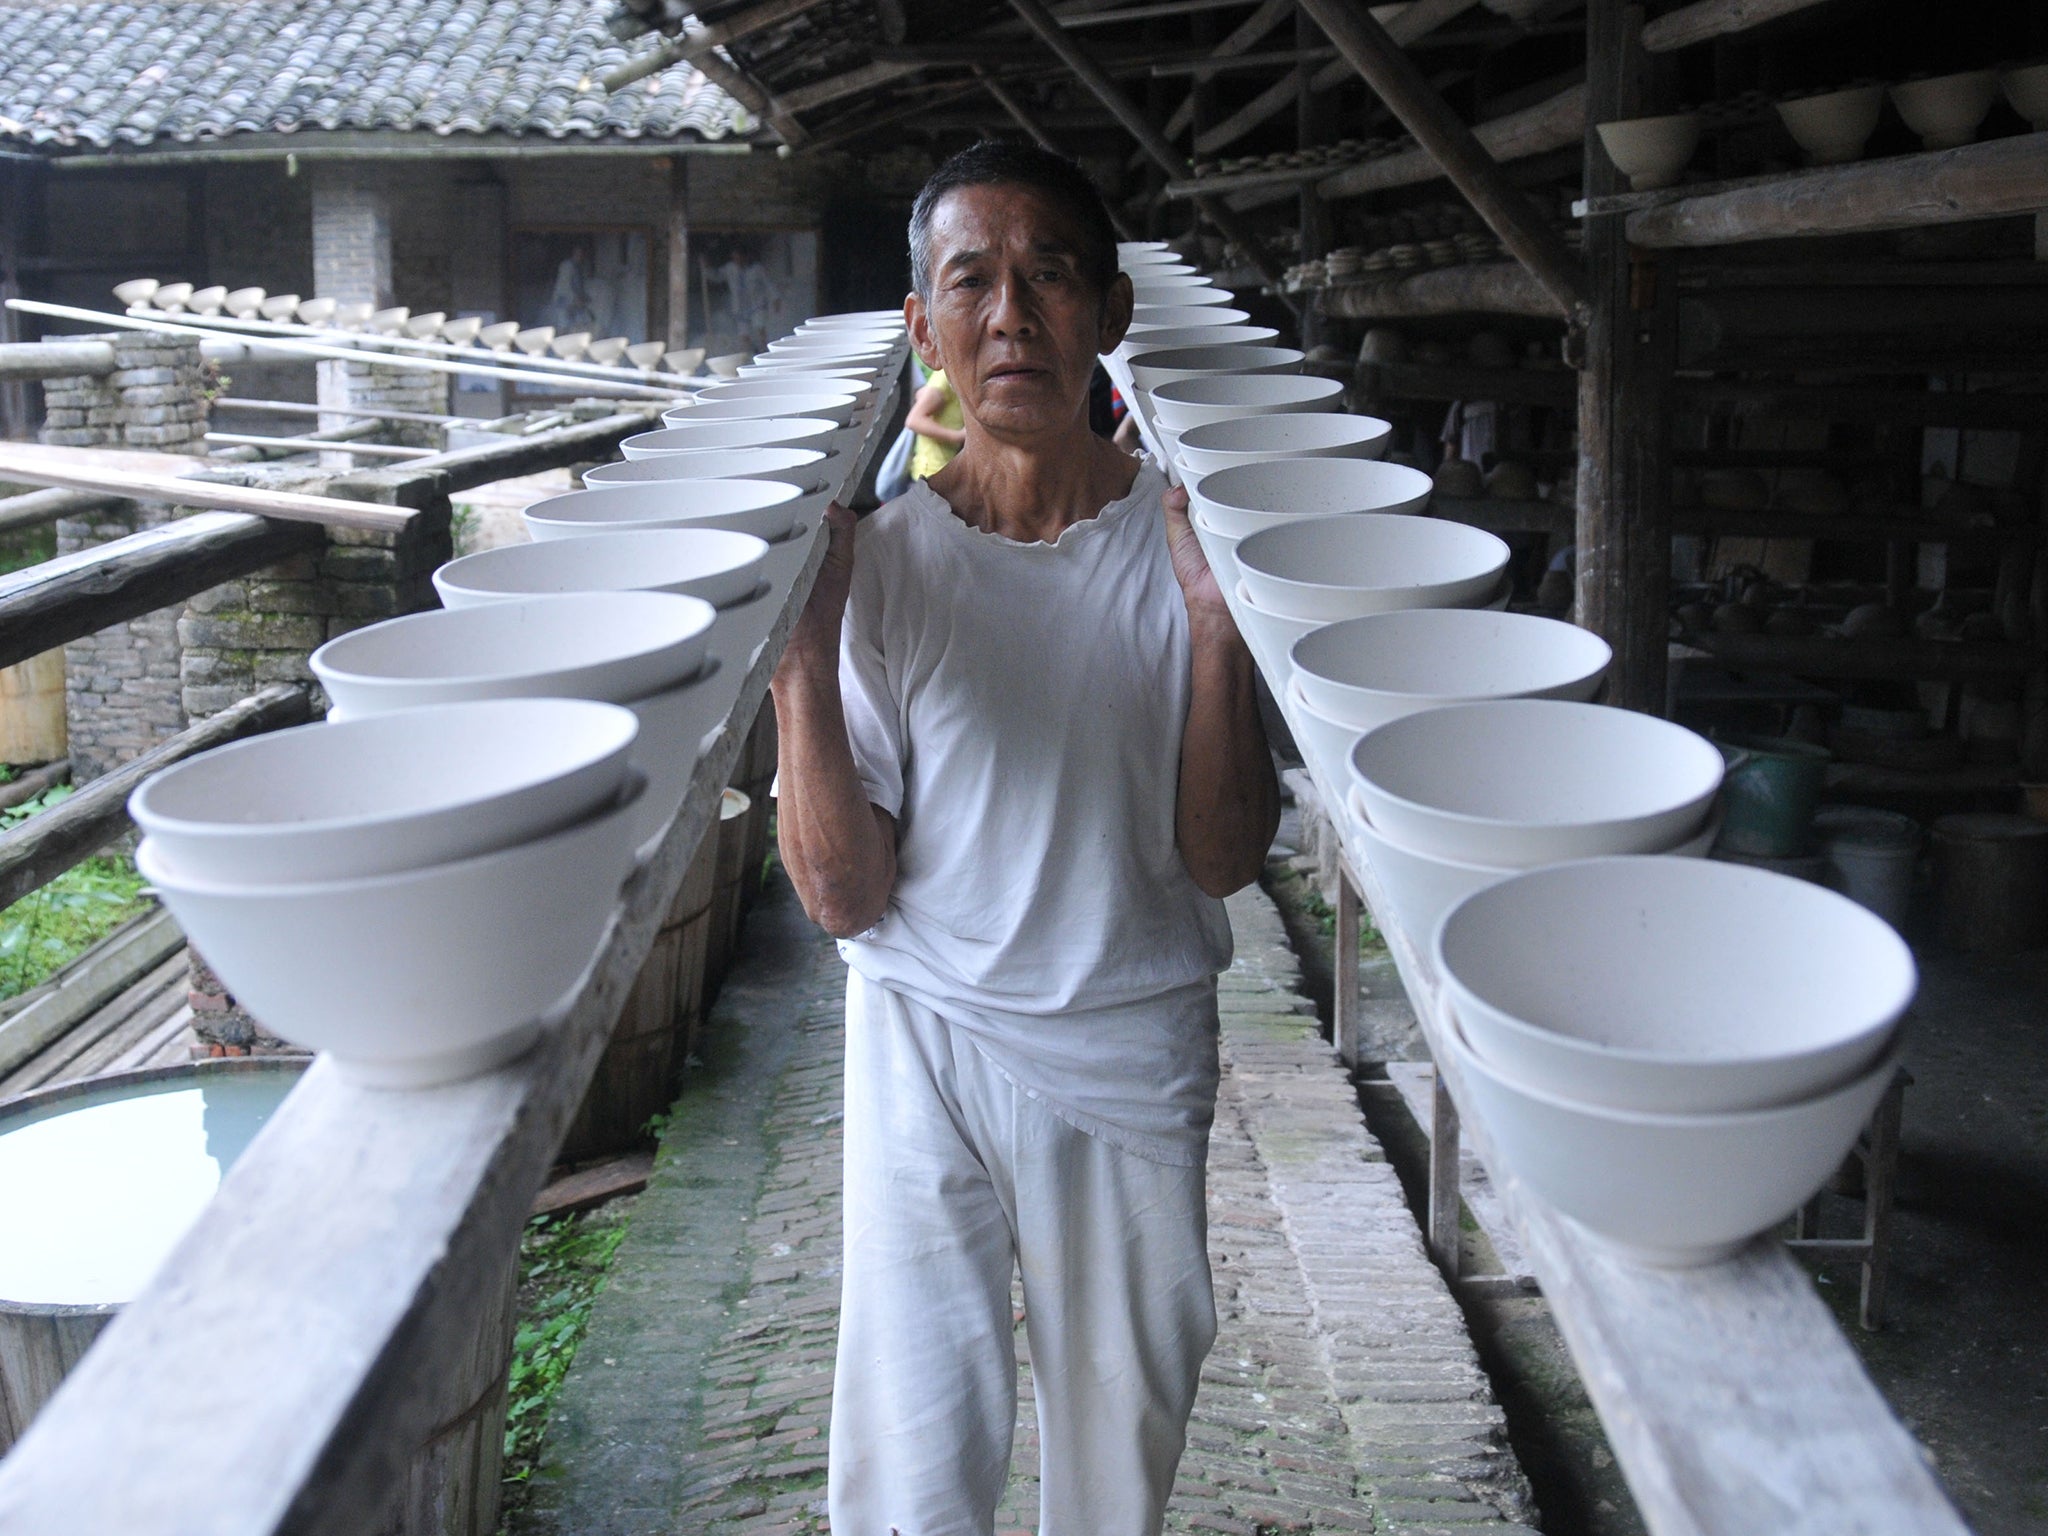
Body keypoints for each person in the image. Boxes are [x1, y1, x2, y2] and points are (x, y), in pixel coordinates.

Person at [770, 140, 1279, 1535]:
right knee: (915, 1442)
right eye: (973, 284)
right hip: (928, 1026)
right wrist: (799, 668)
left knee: (1122, 1444)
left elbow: (1226, 859)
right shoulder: (885, 566)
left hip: (1128, 1028)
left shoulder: (1184, 550)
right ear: (925, 326)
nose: (1012, 318)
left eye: (1049, 277)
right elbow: (842, 897)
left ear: (1109, 315)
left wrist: (1220, 638)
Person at [904, 362, 965, 479]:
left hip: (951, 468)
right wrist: (958, 436)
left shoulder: (962, 376)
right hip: (933, 471)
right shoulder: (944, 378)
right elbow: (914, 420)